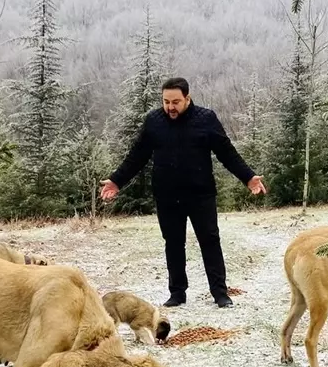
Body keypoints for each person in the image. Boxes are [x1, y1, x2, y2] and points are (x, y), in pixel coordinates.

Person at [101, 77, 267, 307]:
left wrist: (248, 177)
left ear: (187, 98)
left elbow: (226, 152)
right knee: (173, 243)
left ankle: (220, 293)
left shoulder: (206, 119)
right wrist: (116, 182)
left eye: (176, 101)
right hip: (167, 195)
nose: (170, 107)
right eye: (166, 101)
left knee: (210, 241)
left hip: (201, 194)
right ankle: (177, 293)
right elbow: (137, 156)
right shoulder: (153, 121)